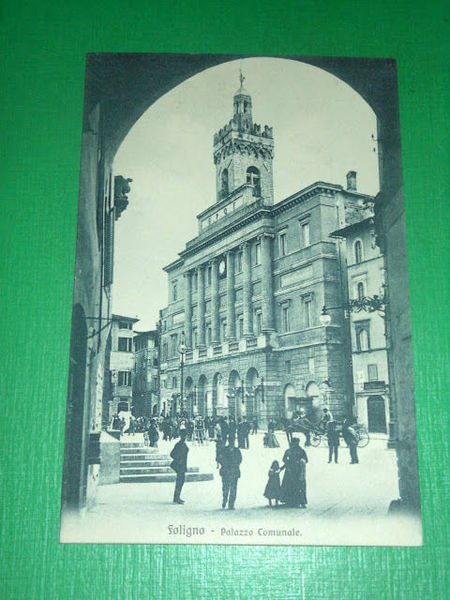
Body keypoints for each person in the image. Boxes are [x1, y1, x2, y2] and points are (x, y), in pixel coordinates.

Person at [280, 438, 308, 508]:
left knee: (297, 486)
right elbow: (283, 459)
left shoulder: (301, 451)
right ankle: (289, 500)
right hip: (289, 470)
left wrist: (300, 461)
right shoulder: (288, 451)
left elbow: (306, 460)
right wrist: (287, 461)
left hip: (297, 471)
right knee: (289, 486)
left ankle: (297, 501)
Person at [217, 437, 242, 510]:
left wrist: (235, 464)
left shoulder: (237, 451)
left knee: (233, 489)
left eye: (233, 441)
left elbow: (240, 459)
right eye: (231, 441)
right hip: (226, 472)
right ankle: (225, 499)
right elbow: (219, 459)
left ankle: (231, 504)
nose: (232, 443)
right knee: (225, 488)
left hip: (234, 472)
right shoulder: (224, 450)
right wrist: (225, 464)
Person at [170, 431, 189, 504]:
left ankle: (177, 497)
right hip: (180, 466)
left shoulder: (182, 444)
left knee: (180, 482)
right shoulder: (179, 445)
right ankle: (176, 497)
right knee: (180, 482)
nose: (185, 437)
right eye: (184, 436)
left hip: (182, 466)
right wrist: (178, 459)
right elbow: (172, 454)